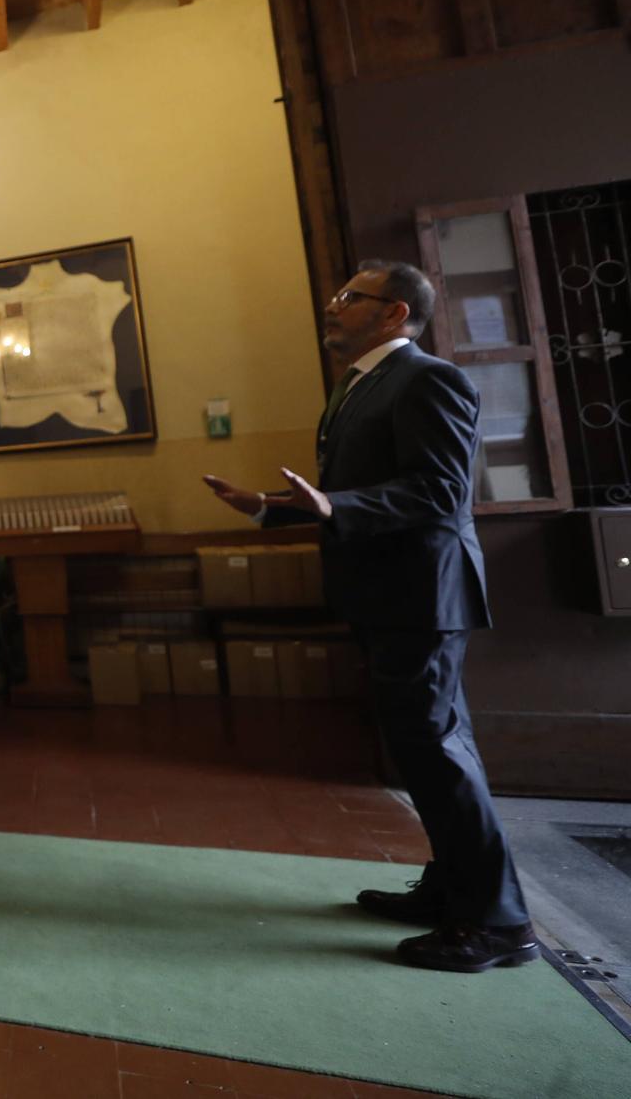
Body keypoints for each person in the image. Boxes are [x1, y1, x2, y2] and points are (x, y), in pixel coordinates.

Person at [203, 260, 534, 973]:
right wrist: (268, 505)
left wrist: (337, 506)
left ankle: (497, 923)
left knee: (438, 752)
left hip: (422, 593)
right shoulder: (359, 385)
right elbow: (353, 492)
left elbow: (438, 491)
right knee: (428, 749)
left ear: (393, 314)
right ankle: (452, 886)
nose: (334, 305)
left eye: (350, 297)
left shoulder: (429, 378)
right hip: (385, 592)